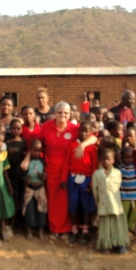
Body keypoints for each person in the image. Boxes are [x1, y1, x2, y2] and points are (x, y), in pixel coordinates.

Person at [21, 102, 97, 239]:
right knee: (54, 201)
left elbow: (94, 137)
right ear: (55, 113)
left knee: (69, 200)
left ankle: (68, 229)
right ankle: (55, 229)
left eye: (66, 113)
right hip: (51, 169)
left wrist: (83, 145)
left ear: (70, 114)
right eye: (60, 112)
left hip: (69, 169)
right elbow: (36, 145)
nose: (63, 115)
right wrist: (27, 158)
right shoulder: (46, 127)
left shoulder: (75, 128)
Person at [61, 121, 98, 245]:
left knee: (86, 206)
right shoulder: (72, 145)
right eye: (81, 130)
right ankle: (74, 230)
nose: (83, 133)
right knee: (73, 204)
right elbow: (66, 163)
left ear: (90, 132)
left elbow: (94, 167)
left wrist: (92, 183)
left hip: (86, 179)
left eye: (86, 131)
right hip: (72, 179)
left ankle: (85, 231)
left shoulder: (92, 148)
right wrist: (63, 179)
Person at [93, 148, 130, 254]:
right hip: (103, 205)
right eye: (104, 159)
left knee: (117, 226)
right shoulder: (97, 174)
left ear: (113, 160)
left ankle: (120, 244)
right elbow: (95, 192)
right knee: (105, 227)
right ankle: (106, 245)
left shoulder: (117, 173)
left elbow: (117, 187)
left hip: (116, 206)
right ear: (100, 160)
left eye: (109, 159)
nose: (106, 162)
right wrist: (99, 204)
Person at [23, 140, 47, 240]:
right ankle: (29, 231)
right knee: (29, 210)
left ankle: (40, 231)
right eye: (34, 150)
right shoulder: (27, 161)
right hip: (29, 189)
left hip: (40, 188)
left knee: (42, 210)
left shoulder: (42, 161)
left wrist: (42, 176)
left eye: (39, 150)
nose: (37, 153)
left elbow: (45, 176)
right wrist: (26, 180)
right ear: (30, 150)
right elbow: (22, 174)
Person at [0, 132, 15, 241]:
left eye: (2, 141)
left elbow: (5, 170)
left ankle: (2, 228)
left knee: (2, 204)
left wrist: (9, 185)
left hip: (0, 183)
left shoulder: (3, 154)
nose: (1, 144)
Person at [119, 147, 136, 238]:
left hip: (135, 197)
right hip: (124, 197)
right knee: (123, 214)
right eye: (126, 157)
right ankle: (123, 229)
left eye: (131, 157)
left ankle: (131, 228)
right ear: (122, 158)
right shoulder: (120, 168)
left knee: (134, 214)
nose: (129, 159)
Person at [6, 119, 26, 212]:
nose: (16, 130)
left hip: (20, 173)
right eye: (13, 128)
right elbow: (3, 159)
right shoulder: (6, 141)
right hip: (9, 173)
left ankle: (18, 216)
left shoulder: (23, 142)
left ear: (21, 129)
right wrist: (9, 154)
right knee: (10, 194)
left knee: (20, 194)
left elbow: (25, 157)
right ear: (10, 129)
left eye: (18, 128)